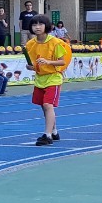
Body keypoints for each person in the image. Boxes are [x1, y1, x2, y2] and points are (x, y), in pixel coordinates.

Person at [26, 14, 71, 145]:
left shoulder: (55, 42)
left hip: (53, 77)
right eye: (34, 24)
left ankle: (48, 135)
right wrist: (30, 67)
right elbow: (31, 64)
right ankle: (54, 131)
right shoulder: (30, 44)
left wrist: (48, 62)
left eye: (40, 24)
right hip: (40, 78)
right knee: (44, 106)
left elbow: (62, 61)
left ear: (47, 26)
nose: (37, 27)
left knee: (47, 105)